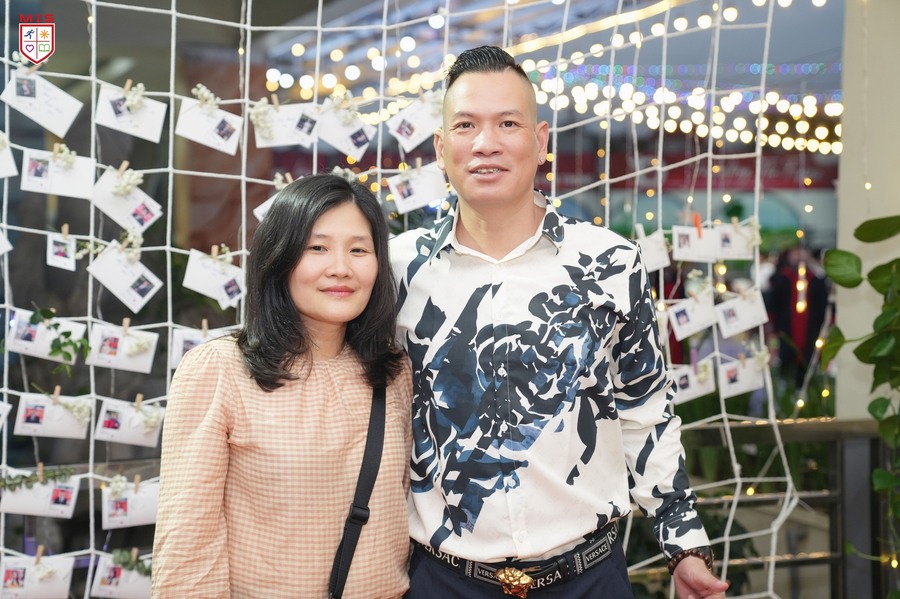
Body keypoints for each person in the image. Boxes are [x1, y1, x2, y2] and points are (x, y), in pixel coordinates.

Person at [390, 46, 729, 598]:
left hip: (589, 579)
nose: (485, 143)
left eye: (508, 123)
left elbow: (646, 410)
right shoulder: (397, 269)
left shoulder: (611, 262)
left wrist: (684, 545)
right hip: (442, 581)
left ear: (541, 140)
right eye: (466, 125)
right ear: (440, 147)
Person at [153, 174, 412, 598]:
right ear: (279, 258)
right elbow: (187, 548)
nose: (341, 268)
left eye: (359, 250)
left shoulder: (392, 371)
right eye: (317, 248)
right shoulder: (220, 369)